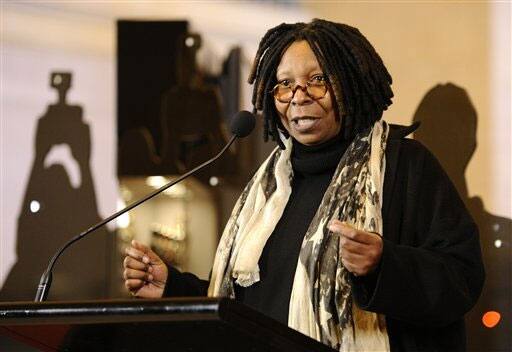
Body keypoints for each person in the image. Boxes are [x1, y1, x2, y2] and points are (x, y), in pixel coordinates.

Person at [123, 19, 484, 352]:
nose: (299, 96)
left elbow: (461, 279)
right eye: (284, 84)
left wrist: (383, 265)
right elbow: (253, 306)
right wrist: (174, 287)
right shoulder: (268, 188)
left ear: (351, 82)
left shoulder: (404, 165)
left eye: (318, 80)